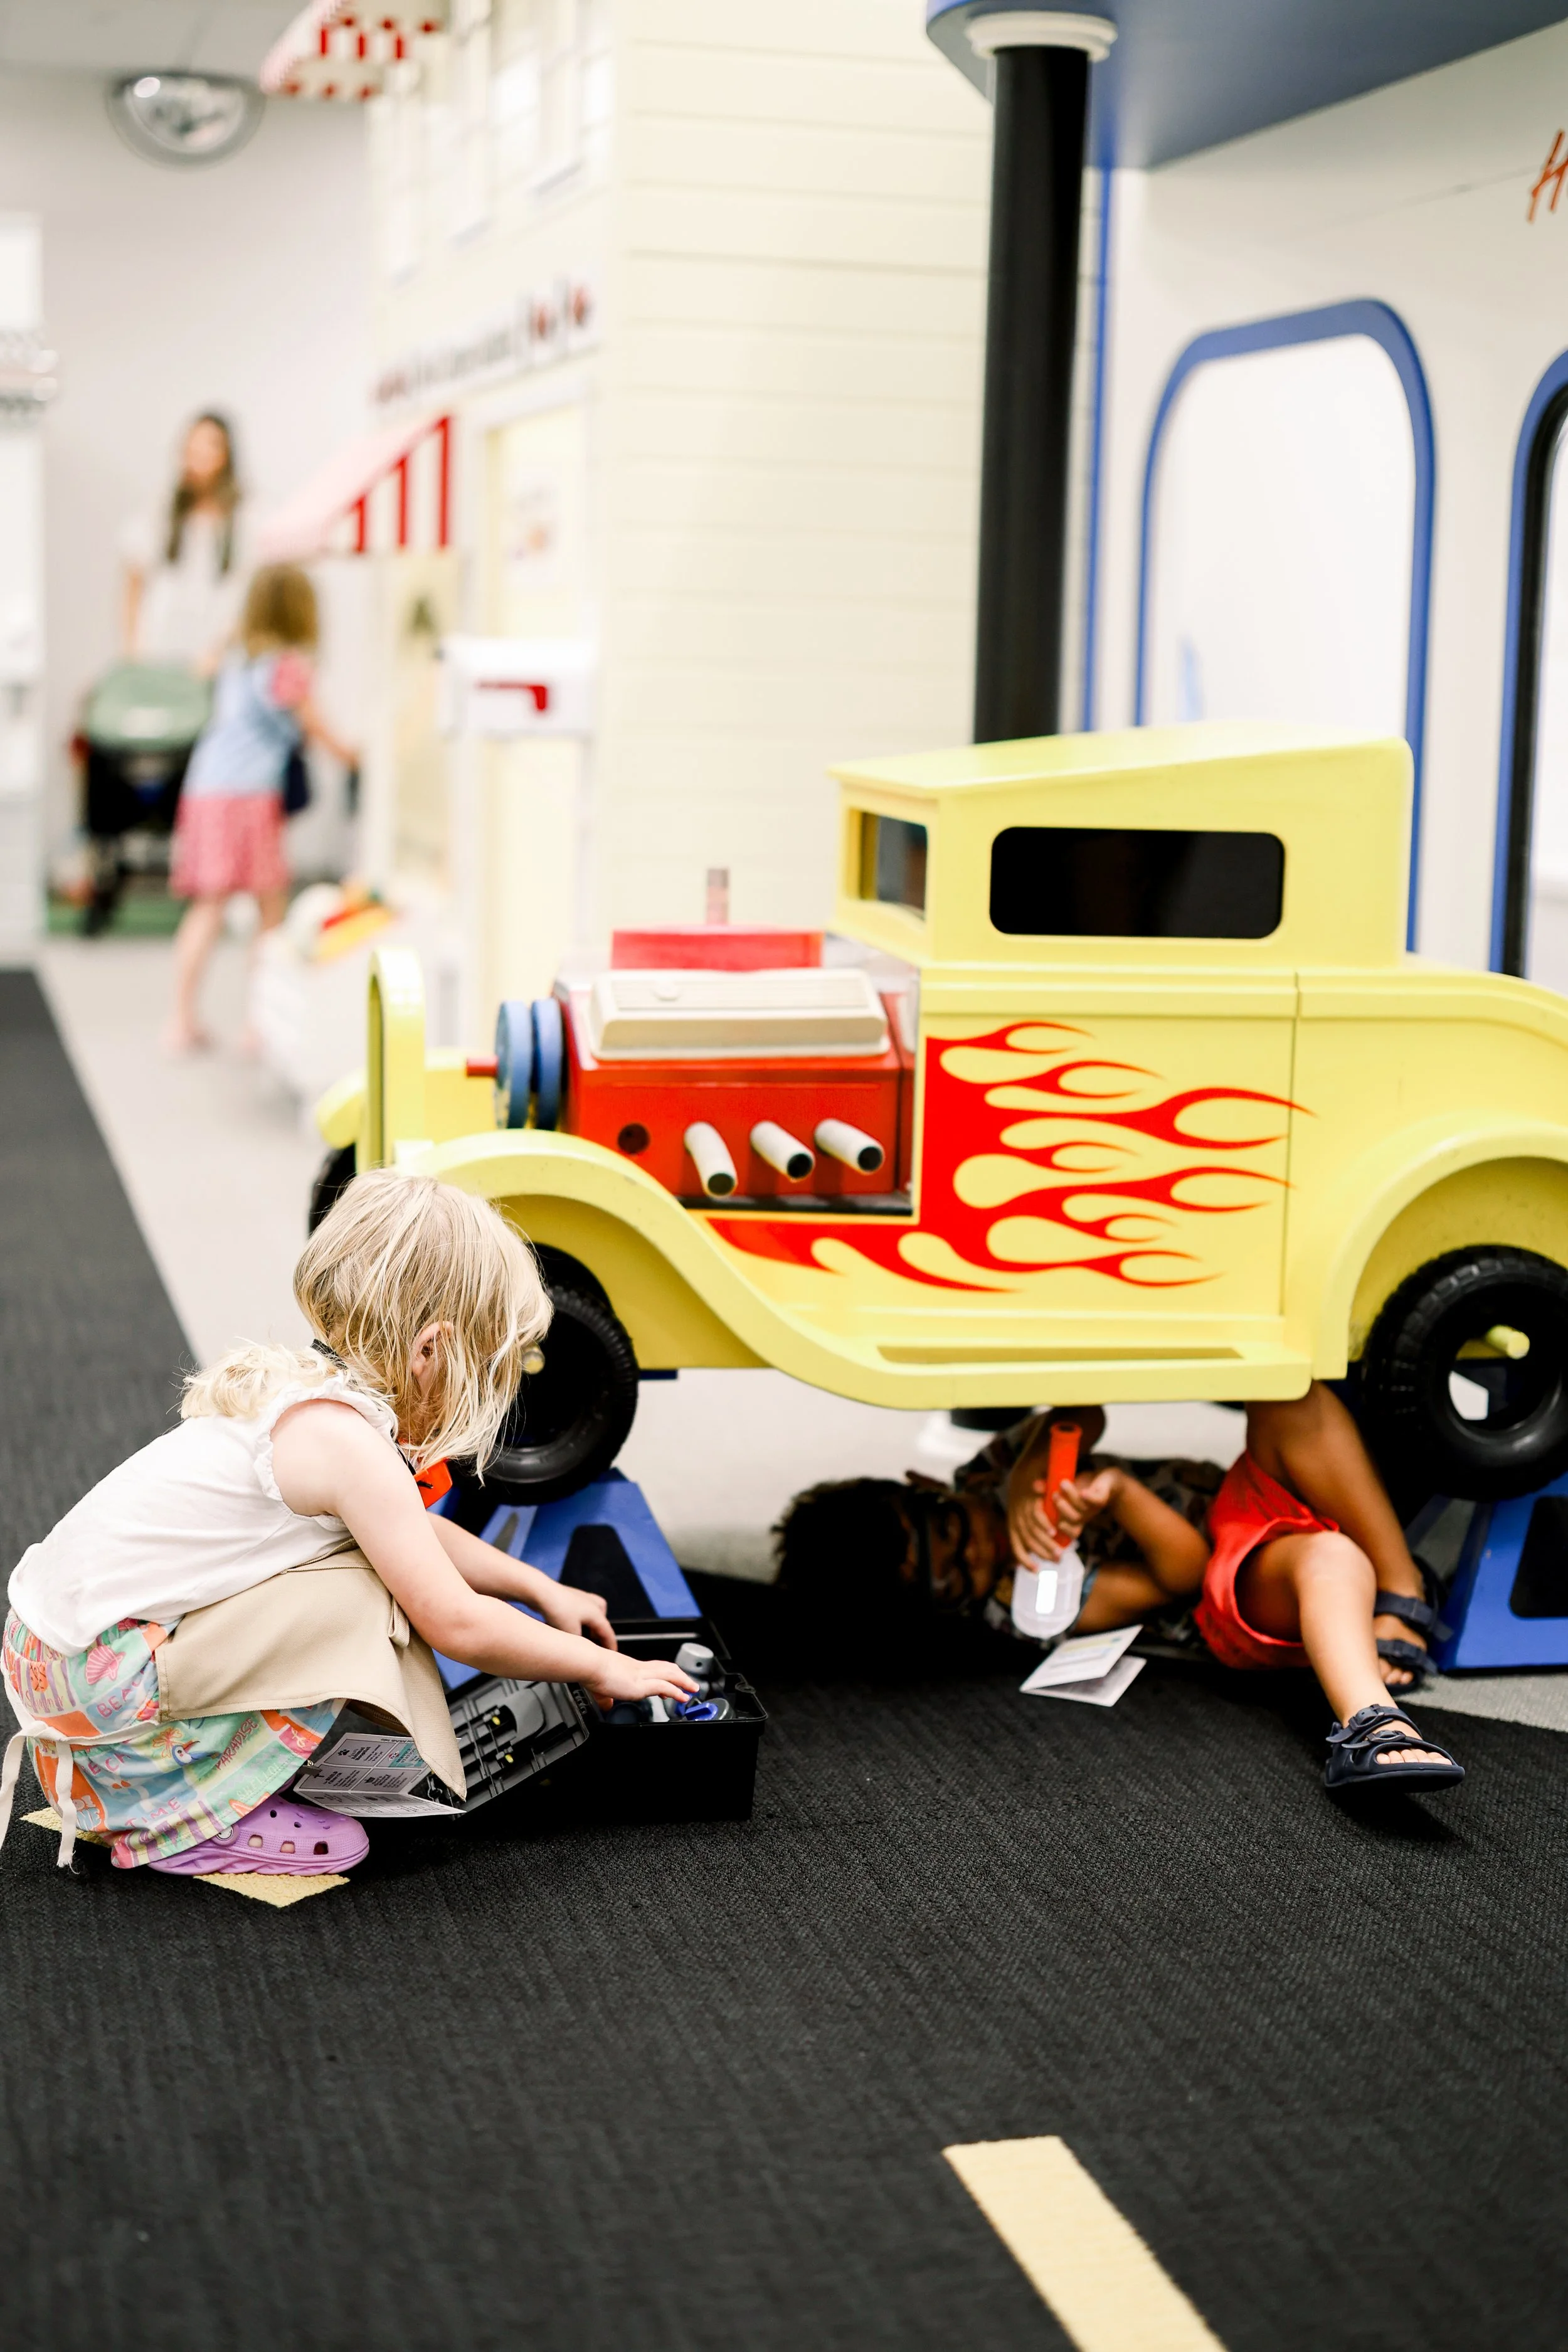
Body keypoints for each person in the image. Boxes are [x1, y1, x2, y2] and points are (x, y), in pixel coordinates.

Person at [0, 1171, 696, 1880]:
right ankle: (177, 1816)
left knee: (371, 1568)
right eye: (492, 1369)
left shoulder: (313, 1391)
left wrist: (538, 1587)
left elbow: (412, 1531)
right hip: (99, 1687)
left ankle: (155, 1774)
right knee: (367, 1601)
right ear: (430, 1351)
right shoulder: (348, 1445)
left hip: (55, 1656)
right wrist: (604, 1666)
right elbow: (455, 1622)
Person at [775, 1384, 1464, 1794]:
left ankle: (1400, 1586)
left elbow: (1084, 1409)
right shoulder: (1022, 1606)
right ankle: (1372, 1724)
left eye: (952, 1528)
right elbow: (1182, 1573)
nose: (978, 1548)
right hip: (1235, 1586)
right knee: (1330, 1559)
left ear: (928, 1488)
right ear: (938, 1609)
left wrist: (1029, 1473)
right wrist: (1119, 1493)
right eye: (952, 1575)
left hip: (1243, 1496)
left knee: (1289, 1393)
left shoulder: (990, 1475)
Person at [165, 562, 355, 1052]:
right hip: (249, 796)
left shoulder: (235, 655)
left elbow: (197, 670)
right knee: (269, 907)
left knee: (207, 905)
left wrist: (231, 636)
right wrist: (356, 756)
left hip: (205, 788)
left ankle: (180, 1020)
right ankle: (259, 1025)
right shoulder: (288, 666)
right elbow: (318, 729)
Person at [121, 411, 249, 671]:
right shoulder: (160, 512)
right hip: (160, 651)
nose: (198, 454)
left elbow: (251, 593)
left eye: (209, 445)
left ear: (225, 455)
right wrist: (133, 651)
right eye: (193, 444)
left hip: (217, 658)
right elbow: (134, 581)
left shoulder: (246, 517)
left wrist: (220, 652)